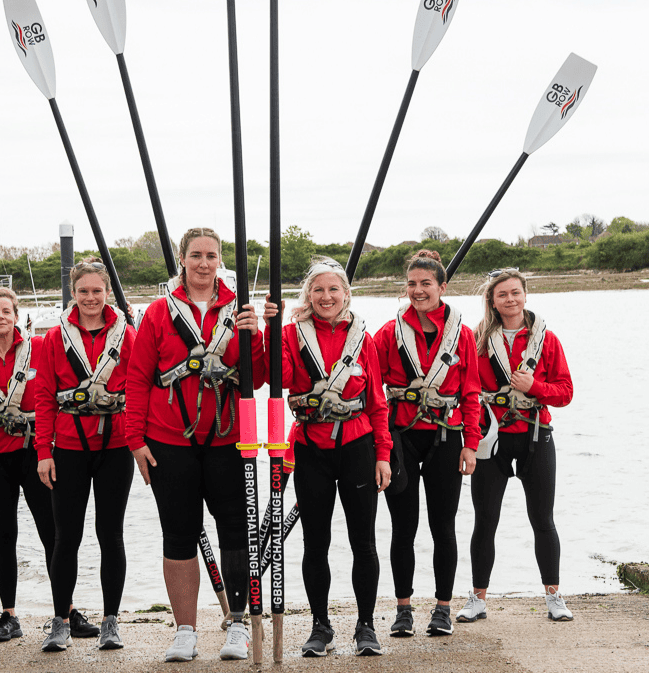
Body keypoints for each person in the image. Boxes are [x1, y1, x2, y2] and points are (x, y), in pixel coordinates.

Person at [124, 228, 264, 663]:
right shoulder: (158, 313)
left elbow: (257, 378)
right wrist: (135, 441)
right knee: (179, 536)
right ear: (182, 259)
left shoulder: (239, 311)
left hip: (228, 441)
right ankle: (185, 630)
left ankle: (237, 625)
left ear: (220, 261)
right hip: (169, 442)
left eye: (212, 256)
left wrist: (256, 334)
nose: (204, 264)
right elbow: (137, 378)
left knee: (236, 534)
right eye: (196, 255)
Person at [264, 257, 393, 658]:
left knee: (363, 542)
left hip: (357, 447)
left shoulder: (363, 339)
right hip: (309, 449)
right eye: (318, 290)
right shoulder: (290, 334)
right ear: (307, 296)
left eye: (333, 289)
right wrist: (274, 325)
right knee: (315, 542)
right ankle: (321, 626)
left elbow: (377, 404)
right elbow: (280, 378)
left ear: (345, 294)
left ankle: (366, 626)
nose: (326, 296)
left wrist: (383, 454)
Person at [0, 287, 98, 643]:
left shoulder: (38, 350)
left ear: (17, 317)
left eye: (7, 312)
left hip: (36, 456)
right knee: (4, 538)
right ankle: (8, 616)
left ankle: (64, 614)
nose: (1, 318)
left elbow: (54, 396)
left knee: (54, 534)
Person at [456, 269, 574, 624]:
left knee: (543, 521)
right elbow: (466, 391)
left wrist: (535, 385)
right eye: (502, 294)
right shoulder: (475, 339)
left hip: (536, 438)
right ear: (492, 300)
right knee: (485, 521)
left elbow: (565, 392)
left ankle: (554, 596)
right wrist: (470, 441)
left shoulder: (547, 340)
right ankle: (477, 599)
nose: (510, 300)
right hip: (490, 440)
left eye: (515, 293)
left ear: (525, 295)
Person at [374, 250, 481, 637]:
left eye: (426, 284)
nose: (418, 291)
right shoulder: (388, 333)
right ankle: (403, 609)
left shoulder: (462, 334)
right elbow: (370, 383)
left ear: (442, 287)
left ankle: (442, 608)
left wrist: (471, 443)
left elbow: (471, 392)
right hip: (401, 438)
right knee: (403, 526)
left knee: (443, 526)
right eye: (412, 284)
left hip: (446, 438)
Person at [35, 259, 137, 652]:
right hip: (69, 450)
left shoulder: (126, 336)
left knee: (111, 534)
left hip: (114, 449)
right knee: (66, 538)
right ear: (73, 294)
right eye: (83, 292)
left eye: (97, 291)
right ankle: (61, 621)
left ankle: (111, 621)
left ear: (107, 293)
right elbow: (44, 397)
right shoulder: (52, 339)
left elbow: (141, 387)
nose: (91, 298)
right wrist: (44, 452)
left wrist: (139, 442)